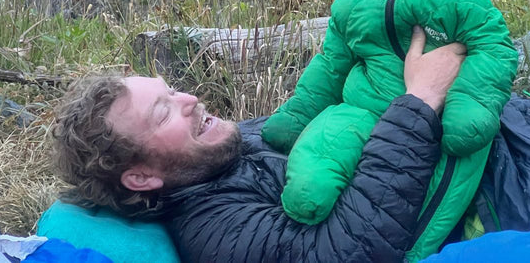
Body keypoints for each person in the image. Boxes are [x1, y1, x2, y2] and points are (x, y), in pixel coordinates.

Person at [260, 0, 519, 260]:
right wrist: (296, 117)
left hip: (442, 121)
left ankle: (416, 252)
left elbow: (495, 54)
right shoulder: (355, 7)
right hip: (360, 111)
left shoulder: (466, 6)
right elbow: (329, 68)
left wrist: (470, 106)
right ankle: (310, 211)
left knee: (449, 179)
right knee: (312, 179)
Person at [51, 29, 465, 262]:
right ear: (141, 177)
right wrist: (420, 100)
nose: (190, 99)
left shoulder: (231, 146)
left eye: (173, 89)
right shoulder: (214, 230)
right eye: (163, 113)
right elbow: (344, 254)